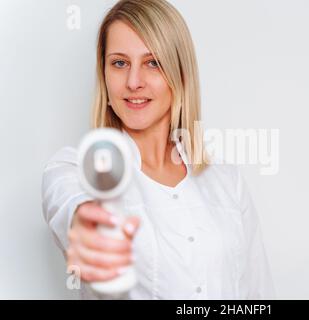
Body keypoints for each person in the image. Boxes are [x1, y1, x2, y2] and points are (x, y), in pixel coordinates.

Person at [41, 0, 275, 299]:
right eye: (119, 63)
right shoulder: (76, 169)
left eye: (152, 62)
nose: (134, 82)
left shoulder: (226, 180)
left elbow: (257, 294)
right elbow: (68, 202)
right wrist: (87, 227)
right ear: (104, 75)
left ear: (179, 74)